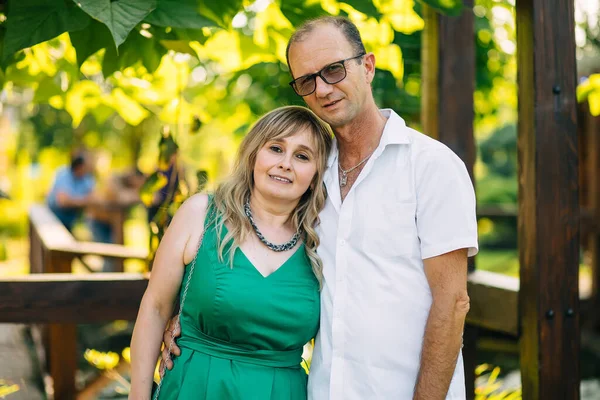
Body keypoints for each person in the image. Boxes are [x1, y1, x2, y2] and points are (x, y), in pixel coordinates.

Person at [162, 16, 478, 399]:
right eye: (307, 80)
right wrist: (196, 317)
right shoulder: (306, 173)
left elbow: (452, 301)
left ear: (367, 65)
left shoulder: (431, 166)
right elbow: (254, 244)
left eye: (333, 70)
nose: (323, 88)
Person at [129, 106, 333, 400]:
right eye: (276, 148)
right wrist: (138, 395)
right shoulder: (200, 214)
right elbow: (156, 307)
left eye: (302, 156)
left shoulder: (324, 241)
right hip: (197, 388)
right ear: (253, 156)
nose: (285, 163)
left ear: (315, 175)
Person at [47, 151, 96, 232]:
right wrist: (84, 201)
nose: (87, 170)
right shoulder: (63, 174)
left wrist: (73, 200)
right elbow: (62, 202)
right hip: (54, 215)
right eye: (85, 168)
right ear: (78, 167)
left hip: (70, 216)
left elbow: (94, 197)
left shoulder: (86, 177)